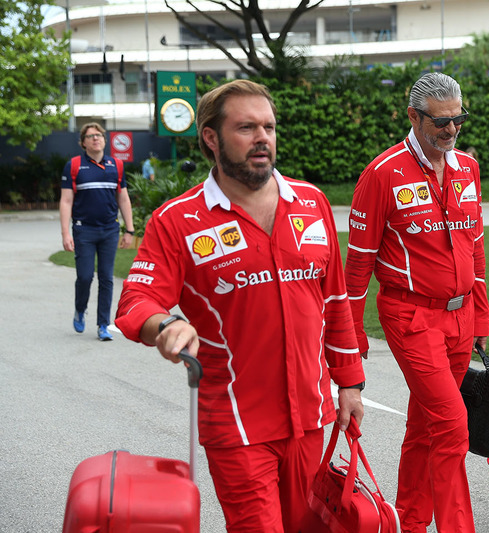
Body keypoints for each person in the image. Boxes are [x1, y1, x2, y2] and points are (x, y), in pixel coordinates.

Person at [115, 79, 365, 532]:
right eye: (246, 128)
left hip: (311, 418)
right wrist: (164, 325)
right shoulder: (178, 219)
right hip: (236, 425)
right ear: (211, 138)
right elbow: (137, 299)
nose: (262, 138)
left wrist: (349, 384)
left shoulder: (312, 204)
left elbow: (335, 302)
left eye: (268, 126)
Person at [345, 72, 489, 533]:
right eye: (440, 122)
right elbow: (358, 265)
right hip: (411, 318)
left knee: (427, 425)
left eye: (458, 121)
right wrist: (348, 338)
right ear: (414, 116)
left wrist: (480, 314)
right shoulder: (382, 173)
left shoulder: (467, 168)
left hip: (462, 317)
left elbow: (477, 245)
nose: (451, 131)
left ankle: (410, 521)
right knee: (451, 426)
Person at [60, 122, 135, 341]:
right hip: (84, 230)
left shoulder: (116, 165)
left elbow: (123, 197)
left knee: (106, 278)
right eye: (91, 136)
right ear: (83, 143)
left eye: (99, 135)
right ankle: (80, 309)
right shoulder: (74, 166)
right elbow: (66, 201)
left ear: (104, 139)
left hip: (110, 229)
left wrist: (129, 230)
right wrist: (65, 233)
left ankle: (103, 324)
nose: (96, 139)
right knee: (84, 277)